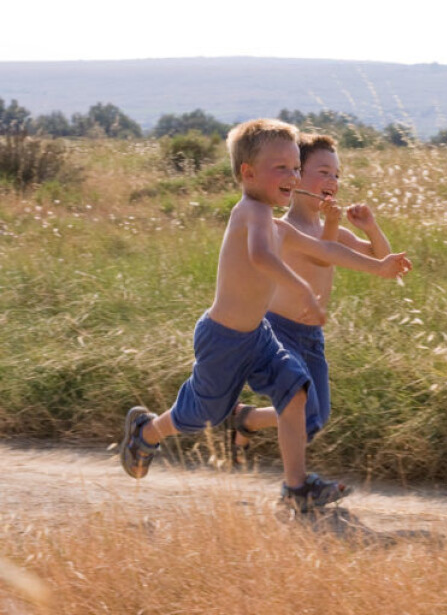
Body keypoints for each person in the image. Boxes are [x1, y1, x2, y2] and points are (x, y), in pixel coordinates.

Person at [119, 119, 411, 513]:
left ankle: (296, 487)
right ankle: (147, 431)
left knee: (296, 391)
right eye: (282, 169)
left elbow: (327, 252)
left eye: (294, 168)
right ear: (248, 173)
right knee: (201, 415)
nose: (291, 176)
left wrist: (380, 267)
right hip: (224, 338)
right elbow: (260, 255)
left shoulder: (275, 224)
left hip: (258, 336)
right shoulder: (251, 213)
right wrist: (303, 288)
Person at [227, 133, 394, 505]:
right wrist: (333, 228)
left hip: (312, 335)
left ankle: (247, 419)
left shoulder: (329, 227)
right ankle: (296, 488)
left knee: (315, 419)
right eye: (323, 172)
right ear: (296, 177)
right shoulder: (284, 228)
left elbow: (380, 259)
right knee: (301, 406)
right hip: (280, 329)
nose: (332, 182)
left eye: (336, 175)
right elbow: (324, 256)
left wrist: (370, 226)